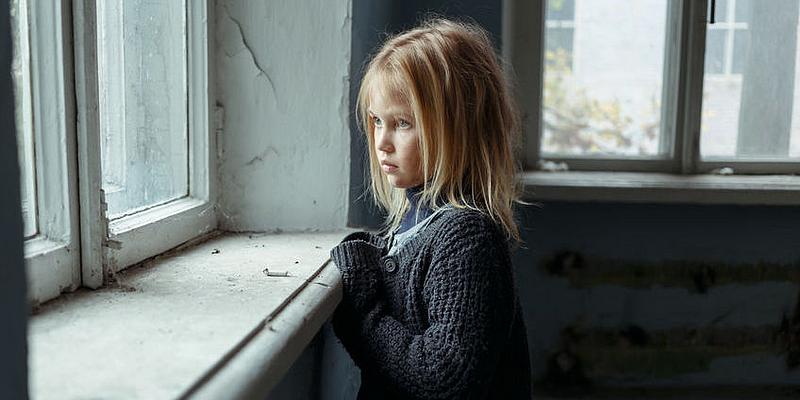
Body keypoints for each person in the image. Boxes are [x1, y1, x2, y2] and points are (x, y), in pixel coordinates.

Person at [330, 17, 532, 400]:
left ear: (460, 128)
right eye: (376, 121)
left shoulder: (466, 239)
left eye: (403, 123)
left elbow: (444, 376)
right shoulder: (413, 222)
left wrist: (365, 311)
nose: (382, 142)